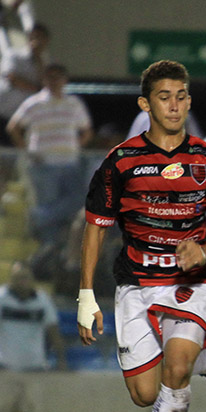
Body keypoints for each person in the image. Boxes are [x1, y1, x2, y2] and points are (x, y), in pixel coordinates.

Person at [77, 60, 206, 412]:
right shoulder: (121, 161)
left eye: (182, 96)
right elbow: (95, 227)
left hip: (194, 281)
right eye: (164, 97)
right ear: (145, 104)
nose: (174, 105)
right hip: (136, 282)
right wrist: (86, 295)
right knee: (144, 394)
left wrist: (203, 250)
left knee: (177, 367)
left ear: (189, 100)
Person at [6, 63, 92, 247]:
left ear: (64, 80)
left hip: (70, 163)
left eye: (58, 77)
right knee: (50, 202)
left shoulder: (74, 103)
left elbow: (86, 131)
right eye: (50, 77)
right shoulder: (34, 103)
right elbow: (13, 127)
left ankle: (38, 216)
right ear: (44, 80)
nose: (54, 81)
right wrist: (27, 152)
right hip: (43, 164)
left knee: (77, 200)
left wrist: (76, 147)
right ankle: (48, 250)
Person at [0, 260, 65, 371]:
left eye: (25, 277)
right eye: (18, 277)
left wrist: (61, 359)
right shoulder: (2, 298)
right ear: (11, 279)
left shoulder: (42, 301)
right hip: (5, 366)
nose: (22, 281)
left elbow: (53, 331)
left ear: (32, 279)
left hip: (35, 367)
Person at [0, 22, 48, 146]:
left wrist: (39, 60)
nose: (36, 40)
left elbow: (46, 87)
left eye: (40, 37)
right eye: (33, 36)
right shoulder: (14, 55)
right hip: (3, 111)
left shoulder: (46, 63)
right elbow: (12, 78)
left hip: (22, 119)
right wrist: (35, 88)